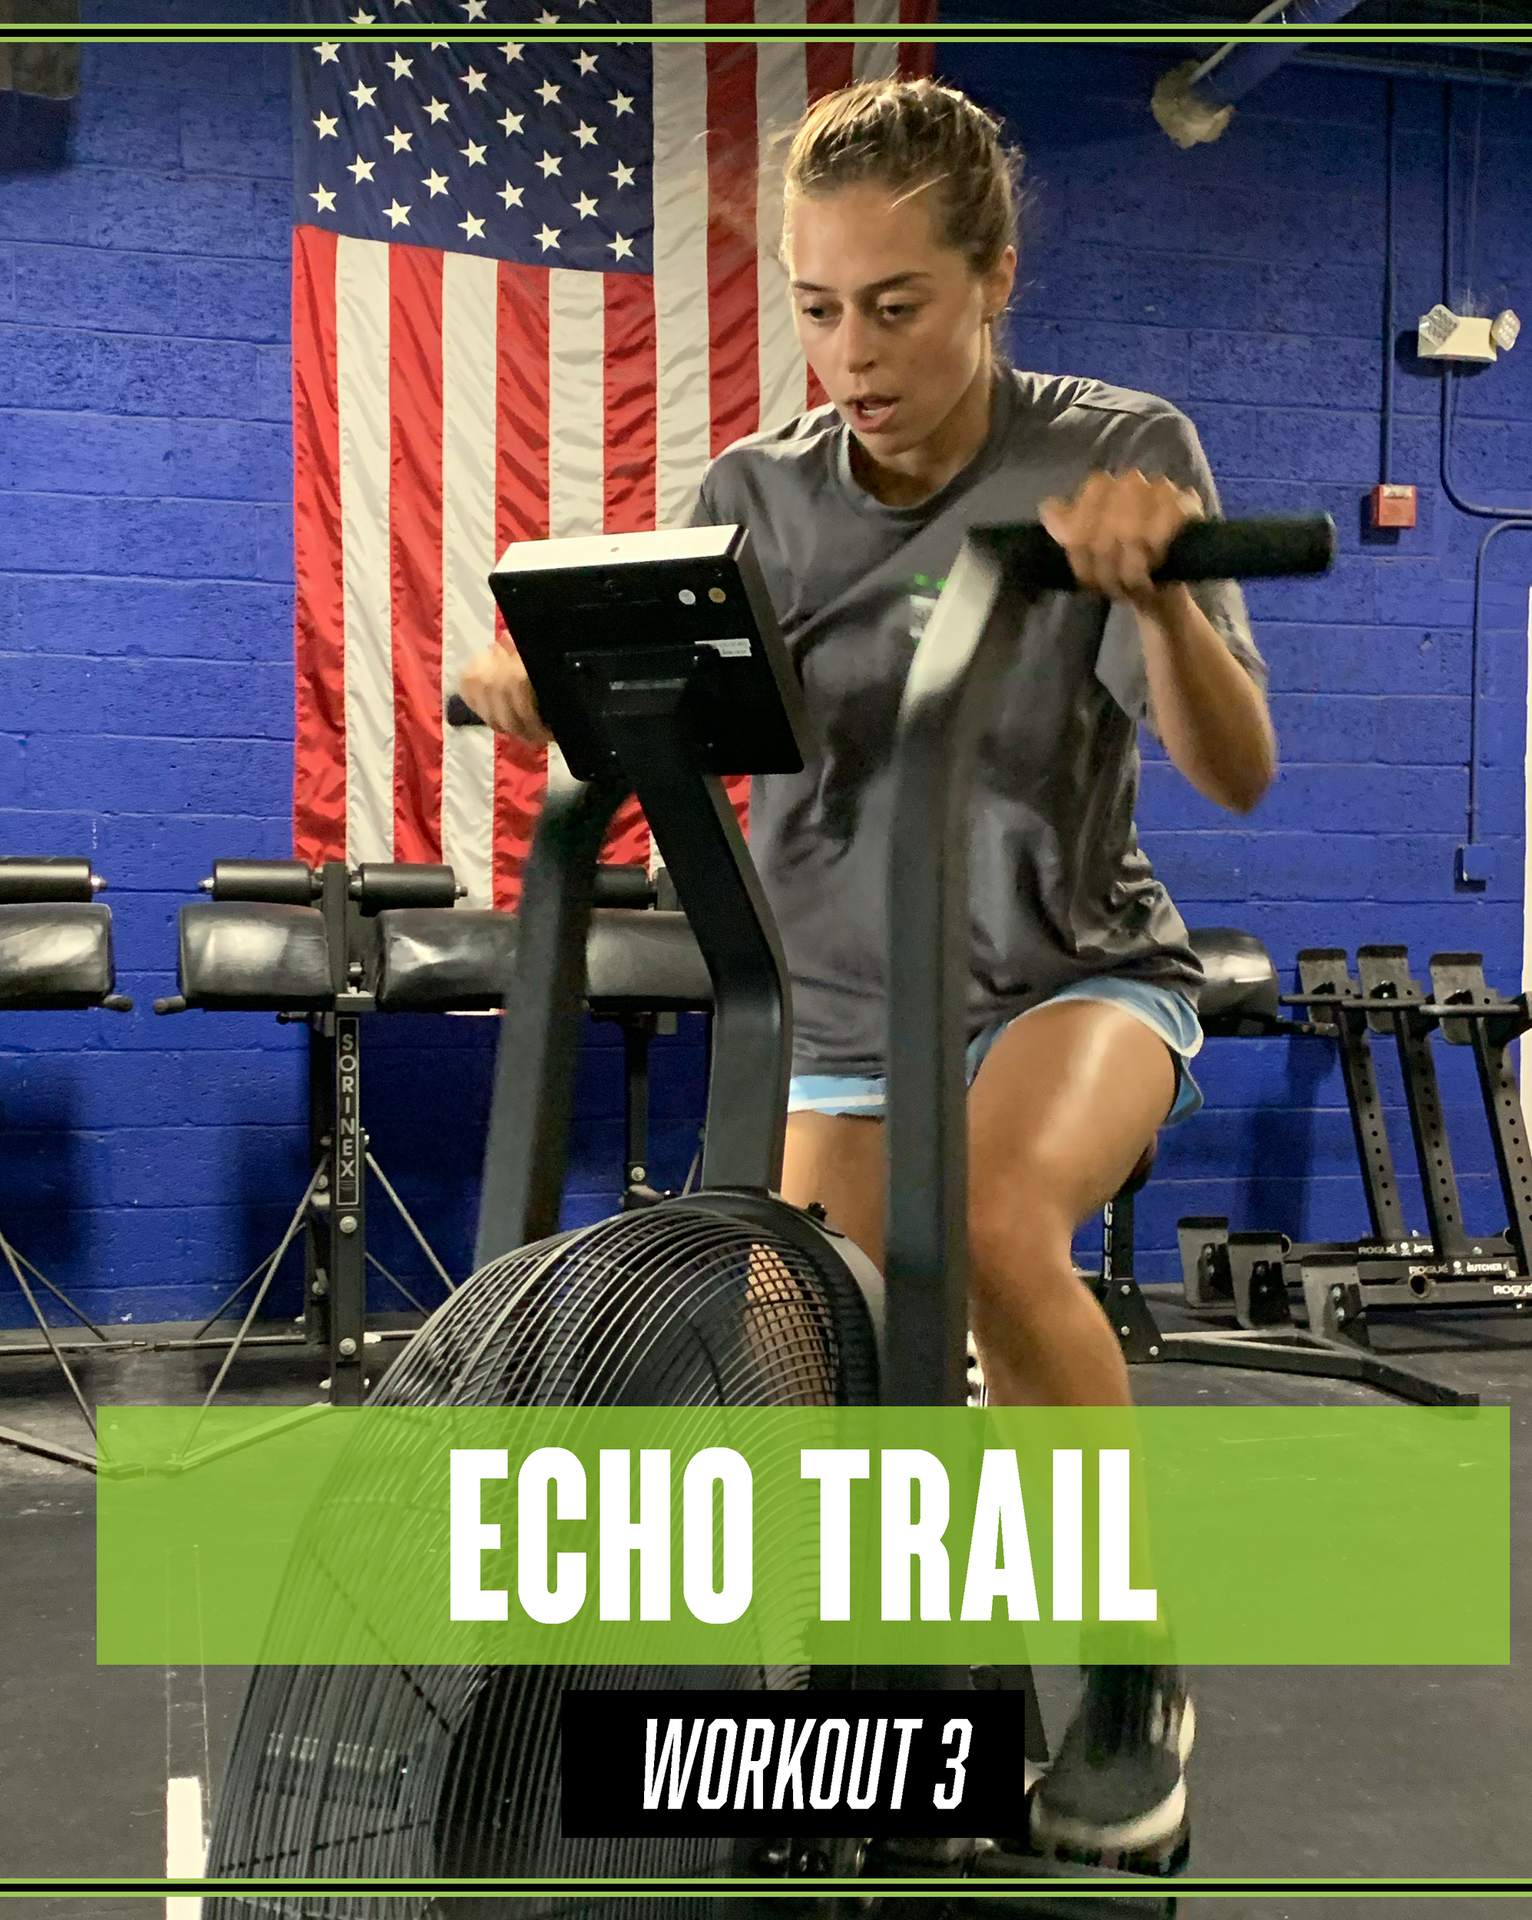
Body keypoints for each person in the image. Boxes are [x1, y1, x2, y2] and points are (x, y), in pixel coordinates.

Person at [459, 77, 1275, 1877]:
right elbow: (678, 721)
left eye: (895, 306)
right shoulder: (750, 493)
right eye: (820, 308)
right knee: (799, 1347)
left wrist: (1151, 598)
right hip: (832, 1009)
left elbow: (1237, 767)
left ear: (992, 282)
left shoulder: (1113, 446)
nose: (851, 350)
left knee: (983, 1232)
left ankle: (1133, 1682)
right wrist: (550, 691)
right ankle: (897, 1731)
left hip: (1069, 976)